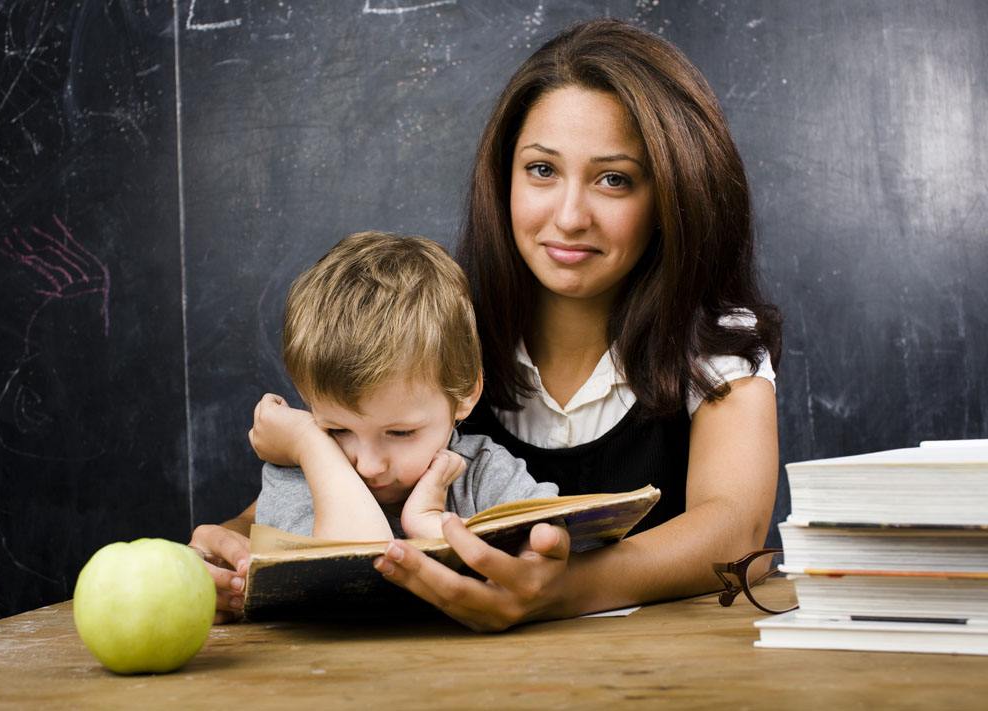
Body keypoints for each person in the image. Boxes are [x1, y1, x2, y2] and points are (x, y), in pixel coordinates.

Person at [190, 18, 781, 629]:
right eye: (542, 170)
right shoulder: (440, 327)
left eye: (614, 179)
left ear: (672, 195)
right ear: (502, 179)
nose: (571, 215)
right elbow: (297, 501)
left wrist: (560, 590)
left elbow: (737, 529)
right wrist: (230, 549)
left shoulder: (714, 340)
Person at [250, 231, 557, 544]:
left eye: (400, 433)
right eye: (337, 431)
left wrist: (432, 528)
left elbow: (552, 547)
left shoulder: (483, 474)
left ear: (465, 392)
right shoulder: (300, 476)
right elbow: (350, 569)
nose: (369, 466)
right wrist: (309, 442)